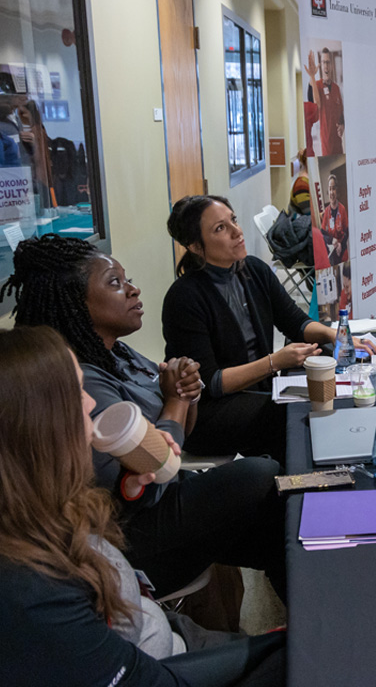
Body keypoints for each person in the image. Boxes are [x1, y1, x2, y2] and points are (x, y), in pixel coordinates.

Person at [1, 234, 286, 600]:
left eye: (128, 279)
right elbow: (156, 473)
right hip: (133, 533)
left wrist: (187, 392)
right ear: (76, 302)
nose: (133, 290)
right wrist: (177, 400)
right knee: (260, 474)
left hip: (163, 495)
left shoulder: (117, 353)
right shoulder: (85, 380)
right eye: (115, 283)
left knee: (277, 520)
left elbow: (180, 428)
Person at [0, 326, 285, 687]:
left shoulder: (47, 506)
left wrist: (127, 489)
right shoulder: (32, 591)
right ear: (36, 426)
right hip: (161, 665)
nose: (90, 402)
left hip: (163, 632)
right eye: (75, 393)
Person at [163, 195, 375, 457]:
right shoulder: (184, 298)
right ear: (195, 246)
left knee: (322, 351)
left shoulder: (253, 269)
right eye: (220, 228)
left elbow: (296, 323)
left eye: (233, 220)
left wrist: (338, 335)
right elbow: (212, 382)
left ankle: (351, 444)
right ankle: (296, 480)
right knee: (289, 412)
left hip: (261, 388)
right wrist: (274, 362)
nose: (236, 231)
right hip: (211, 412)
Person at [304, 46, 344, 155]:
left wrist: (342, 125)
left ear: (331, 65)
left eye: (328, 62)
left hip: (338, 143)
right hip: (326, 142)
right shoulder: (317, 85)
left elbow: (341, 112)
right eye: (323, 62)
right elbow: (316, 104)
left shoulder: (336, 88)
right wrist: (312, 76)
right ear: (321, 65)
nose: (326, 65)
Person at [320, 171, 349, 265]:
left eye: (333, 189)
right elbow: (322, 233)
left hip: (342, 249)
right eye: (330, 189)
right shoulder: (327, 212)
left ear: (337, 190)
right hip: (332, 250)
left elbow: (347, 231)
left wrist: (341, 244)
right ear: (328, 192)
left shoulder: (342, 209)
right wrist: (332, 240)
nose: (332, 192)